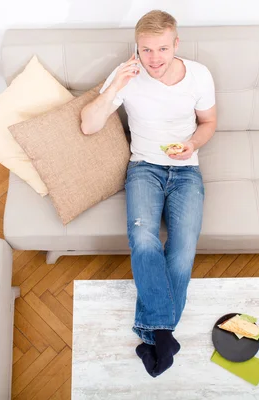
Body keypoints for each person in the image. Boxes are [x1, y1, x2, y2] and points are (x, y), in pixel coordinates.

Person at [80, 10, 217, 377]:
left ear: (176, 45)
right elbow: (89, 126)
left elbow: (209, 123)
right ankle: (163, 332)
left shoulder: (199, 75)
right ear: (136, 48)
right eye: (146, 50)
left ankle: (155, 332)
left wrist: (191, 145)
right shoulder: (127, 75)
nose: (154, 59)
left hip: (186, 170)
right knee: (143, 238)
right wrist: (114, 87)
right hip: (143, 168)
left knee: (183, 245)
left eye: (161, 49)